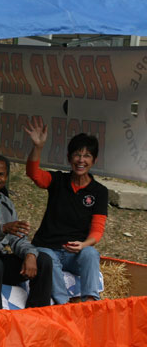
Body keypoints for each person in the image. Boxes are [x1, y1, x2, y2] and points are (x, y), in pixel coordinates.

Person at [25, 117, 108, 303]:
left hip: (75, 253)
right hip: (48, 248)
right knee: (48, 259)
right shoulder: (58, 181)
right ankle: (64, 306)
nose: (81, 160)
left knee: (91, 254)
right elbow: (34, 174)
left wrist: (84, 244)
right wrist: (38, 147)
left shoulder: (100, 192)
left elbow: (97, 229)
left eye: (86, 156)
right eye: (77, 155)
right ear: (69, 158)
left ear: (94, 160)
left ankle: (90, 303)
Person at [0, 154, 53, 310]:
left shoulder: (7, 204)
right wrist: (2, 229)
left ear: (6, 177)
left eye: (1, 174)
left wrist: (30, 254)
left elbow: (17, 239)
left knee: (43, 260)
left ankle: (37, 316)